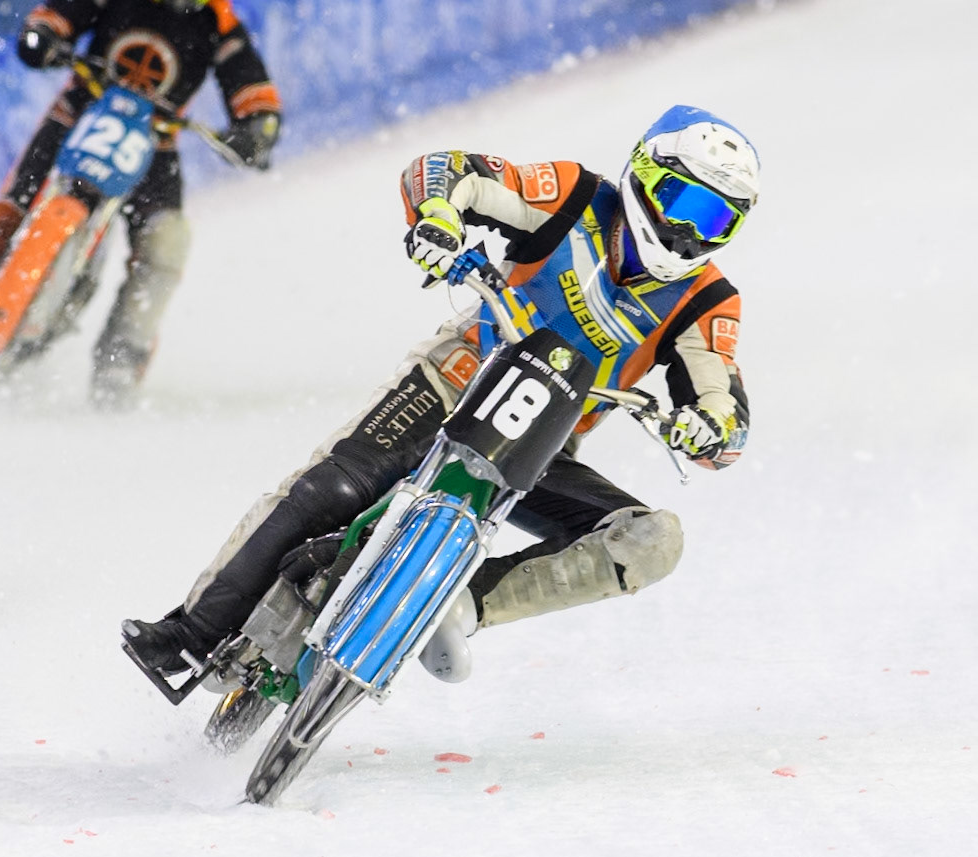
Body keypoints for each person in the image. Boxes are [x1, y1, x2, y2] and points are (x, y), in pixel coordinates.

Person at [122, 107, 760, 684]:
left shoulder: (706, 301)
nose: (685, 232)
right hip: (454, 379)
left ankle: (457, 605)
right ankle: (193, 634)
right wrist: (439, 218)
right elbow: (448, 172)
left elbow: (722, 400)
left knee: (652, 540)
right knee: (332, 490)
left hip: (538, 443)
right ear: (644, 176)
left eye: (714, 219)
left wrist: (709, 426)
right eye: (681, 202)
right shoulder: (575, 196)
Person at [0, 0, 283, 406]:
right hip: (75, 115)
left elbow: (254, 91)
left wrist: (257, 129)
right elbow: (52, 18)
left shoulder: (219, 22)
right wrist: (45, 38)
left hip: (157, 143)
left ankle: (120, 366)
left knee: (165, 245)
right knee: (3, 215)